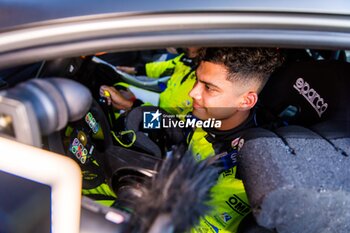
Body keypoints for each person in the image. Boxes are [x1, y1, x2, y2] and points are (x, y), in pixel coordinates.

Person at [187, 47, 283, 232]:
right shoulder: (204, 119)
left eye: (208, 87)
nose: (193, 93)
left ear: (246, 101)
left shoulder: (259, 172)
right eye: (196, 80)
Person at [99, 47, 200, 116]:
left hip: (167, 119)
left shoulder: (200, 91)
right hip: (162, 102)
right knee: (120, 87)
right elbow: (161, 68)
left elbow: (169, 124)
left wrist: (130, 105)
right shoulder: (186, 59)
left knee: (117, 115)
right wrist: (135, 70)